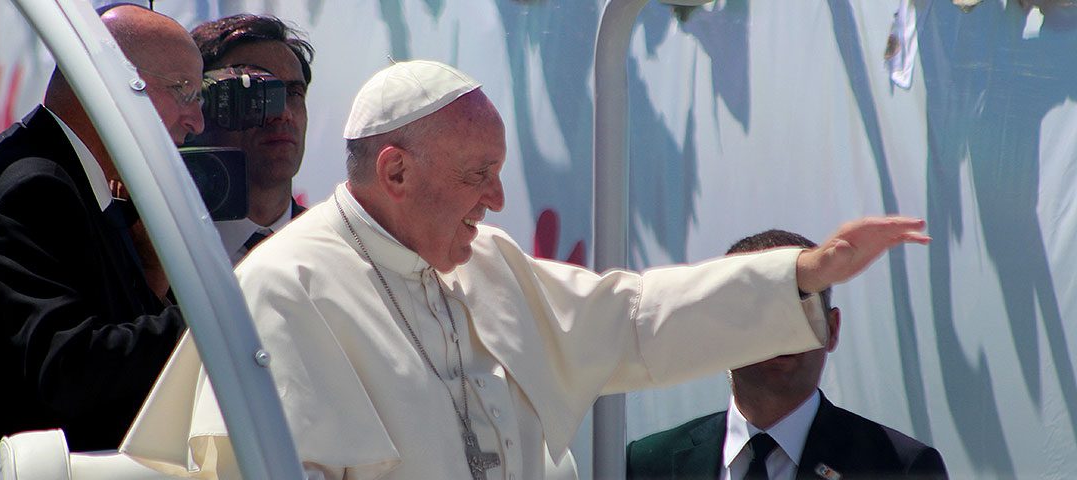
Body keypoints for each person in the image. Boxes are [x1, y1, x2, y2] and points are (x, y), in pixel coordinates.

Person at [120, 60, 930, 479]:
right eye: (478, 174)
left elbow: (635, 320)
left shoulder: (486, 264)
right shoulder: (286, 285)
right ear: (395, 172)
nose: (498, 198)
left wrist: (799, 275)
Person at [0, 4, 203, 477]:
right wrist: (207, 319)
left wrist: (150, 277)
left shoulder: (61, 176)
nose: (197, 120)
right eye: (183, 90)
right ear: (111, 82)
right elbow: (69, 370)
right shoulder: (33, 187)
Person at [625, 229, 948, 480]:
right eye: (758, 310)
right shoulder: (646, 465)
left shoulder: (898, 467)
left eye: (799, 307)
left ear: (832, 328)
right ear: (718, 330)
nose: (782, 330)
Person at [191, 14, 314, 263]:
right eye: (256, 91)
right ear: (200, 103)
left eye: (293, 93)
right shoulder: (158, 249)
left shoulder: (346, 253)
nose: (282, 114)